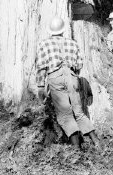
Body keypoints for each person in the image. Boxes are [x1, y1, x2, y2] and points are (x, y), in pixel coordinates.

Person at [36, 16, 100, 151]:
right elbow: (79, 65)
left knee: (65, 114)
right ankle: (97, 142)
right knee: (79, 112)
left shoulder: (44, 44)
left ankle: (76, 148)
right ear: (63, 30)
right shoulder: (73, 43)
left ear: (50, 31)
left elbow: (41, 67)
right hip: (72, 76)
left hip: (55, 77)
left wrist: (41, 87)